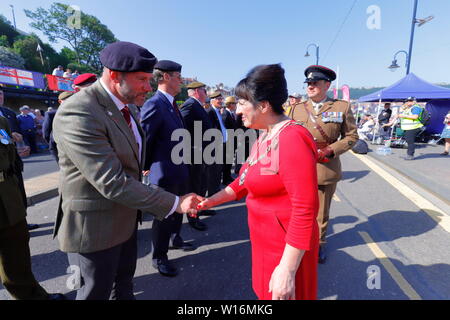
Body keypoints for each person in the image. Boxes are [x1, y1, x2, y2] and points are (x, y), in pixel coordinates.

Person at [52, 41, 202, 300]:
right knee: (95, 293)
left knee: (123, 289)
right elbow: (111, 182)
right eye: (142, 79)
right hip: (95, 229)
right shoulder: (79, 110)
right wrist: (175, 202)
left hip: (125, 219)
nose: (148, 86)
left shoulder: (128, 106)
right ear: (113, 76)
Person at [198, 64, 319, 300]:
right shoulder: (266, 135)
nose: (237, 109)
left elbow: (305, 209)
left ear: (263, 105)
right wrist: (209, 202)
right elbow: (242, 181)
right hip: (265, 242)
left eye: (243, 103)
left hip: (286, 249)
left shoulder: (292, 138)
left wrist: (287, 269)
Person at [289, 65, 358, 264]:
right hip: (299, 169)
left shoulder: (341, 107)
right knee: (298, 209)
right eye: (308, 83)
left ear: (327, 85)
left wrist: (331, 150)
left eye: (315, 83)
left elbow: (352, 136)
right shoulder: (297, 109)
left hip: (325, 166)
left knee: (320, 212)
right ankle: (297, 243)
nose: (310, 86)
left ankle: (318, 244)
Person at [140, 60, 196, 278]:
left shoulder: (172, 104)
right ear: (163, 77)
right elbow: (146, 139)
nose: (181, 80)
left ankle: (176, 238)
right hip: (163, 173)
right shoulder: (154, 104)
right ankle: (159, 257)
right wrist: (146, 167)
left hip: (179, 169)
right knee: (164, 216)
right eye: (177, 76)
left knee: (179, 209)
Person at [0, 116, 65, 300]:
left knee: (16, 254)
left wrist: (20, 151)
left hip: (7, 196)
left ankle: (31, 297)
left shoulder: (1, 121)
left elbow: (9, 154)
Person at [180, 81, 212, 231]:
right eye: (205, 91)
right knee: (194, 186)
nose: (206, 94)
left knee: (202, 183)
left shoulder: (197, 105)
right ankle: (193, 218)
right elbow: (180, 126)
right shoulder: (190, 105)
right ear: (197, 91)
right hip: (195, 153)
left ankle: (202, 207)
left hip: (202, 152)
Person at [206, 91, 227, 195]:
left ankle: (216, 189)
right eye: (218, 99)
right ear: (212, 101)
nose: (220, 101)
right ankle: (212, 192)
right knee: (213, 171)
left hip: (220, 144)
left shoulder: (218, 111)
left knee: (218, 169)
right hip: (214, 146)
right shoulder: (210, 111)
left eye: (221, 99)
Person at [43, 91, 74, 164]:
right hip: (58, 146)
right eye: (66, 100)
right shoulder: (51, 114)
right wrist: (53, 143)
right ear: (60, 101)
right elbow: (46, 132)